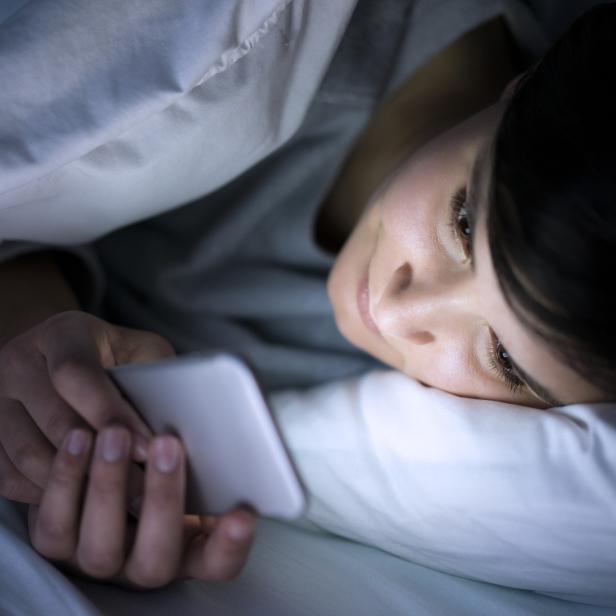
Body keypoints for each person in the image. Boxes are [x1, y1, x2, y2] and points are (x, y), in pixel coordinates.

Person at [0, 0, 613, 595]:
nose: (400, 313)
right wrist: (34, 315)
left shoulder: (421, 433)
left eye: (504, 359)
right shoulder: (262, 41)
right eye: (462, 222)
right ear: (520, 86)